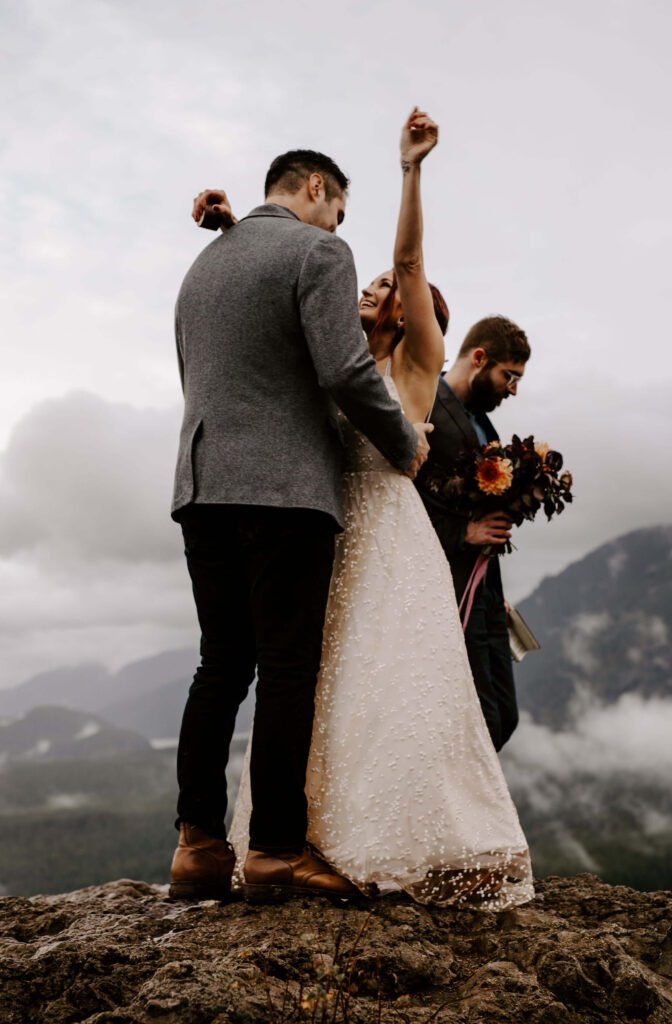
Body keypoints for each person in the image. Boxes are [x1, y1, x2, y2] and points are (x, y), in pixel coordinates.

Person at [199, 108, 533, 909]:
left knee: (394, 692)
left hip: (385, 538)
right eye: (371, 284)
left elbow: (408, 258)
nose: (376, 288)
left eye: (387, 287)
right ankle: (310, 840)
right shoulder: (328, 358)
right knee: (313, 694)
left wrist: (410, 169)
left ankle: (407, 840)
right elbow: (273, 296)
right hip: (317, 531)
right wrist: (234, 228)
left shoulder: (414, 367)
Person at [168, 144, 435, 902]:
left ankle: (197, 847)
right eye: (339, 209)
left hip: (201, 482)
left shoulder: (202, 267)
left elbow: (200, 376)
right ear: (317, 189)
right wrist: (402, 441)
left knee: (220, 666)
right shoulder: (320, 252)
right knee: (287, 669)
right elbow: (344, 369)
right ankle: (276, 854)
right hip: (284, 494)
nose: (337, 223)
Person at [414, 319, 531, 751]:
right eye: (509, 376)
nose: (513, 388)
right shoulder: (426, 405)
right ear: (479, 359)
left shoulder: (487, 426)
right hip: (447, 588)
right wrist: (466, 531)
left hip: (485, 589)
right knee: (480, 721)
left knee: (505, 715)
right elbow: (403, 501)